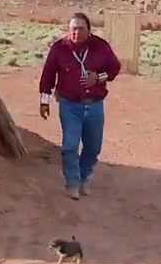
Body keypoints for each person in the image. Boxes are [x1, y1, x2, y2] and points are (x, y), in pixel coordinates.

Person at [38, 12, 122, 200]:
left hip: (94, 105)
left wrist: (99, 78)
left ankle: (83, 178)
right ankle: (73, 183)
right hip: (69, 105)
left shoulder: (100, 46)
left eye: (80, 29)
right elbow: (48, 76)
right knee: (70, 146)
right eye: (72, 29)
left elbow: (114, 68)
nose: (76, 33)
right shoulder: (59, 48)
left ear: (89, 31)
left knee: (93, 147)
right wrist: (44, 102)